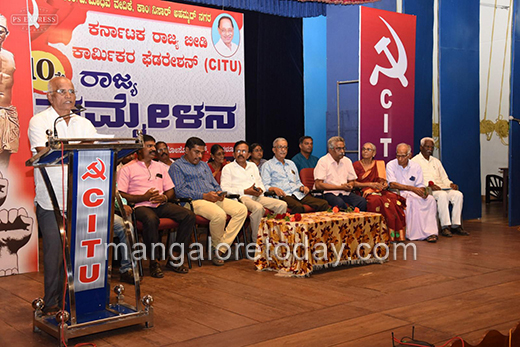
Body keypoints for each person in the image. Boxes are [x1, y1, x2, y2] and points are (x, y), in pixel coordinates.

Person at [28, 76, 98, 315]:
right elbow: (43, 153)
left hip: (82, 196)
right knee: (54, 255)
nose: (68, 96)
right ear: (50, 96)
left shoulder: (84, 123)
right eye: (62, 91)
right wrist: (76, 148)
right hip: (52, 198)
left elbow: (96, 153)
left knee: (79, 252)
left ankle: (76, 301)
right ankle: (52, 304)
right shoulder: (39, 121)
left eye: (71, 91)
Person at [118, 134, 196, 278]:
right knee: (151, 219)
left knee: (188, 215)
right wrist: (144, 197)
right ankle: (154, 262)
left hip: (160, 204)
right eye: (149, 146)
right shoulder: (127, 169)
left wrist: (164, 197)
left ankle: (175, 257)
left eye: (154, 146)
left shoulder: (161, 166)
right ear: (138, 150)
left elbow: (171, 190)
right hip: (139, 206)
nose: (153, 149)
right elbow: (121, 194)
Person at [169, 137, 247, 266]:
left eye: (201, 153)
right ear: (186, 150)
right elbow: (180, 191)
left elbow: (214, 184)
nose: (199, 156)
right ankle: (218, 250)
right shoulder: (176, 167)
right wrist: (204, 195)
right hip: (193, 201)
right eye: (196, 152)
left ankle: (220, 249)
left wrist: (219, 193)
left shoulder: (204, 165)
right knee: (219, 215)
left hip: (213, 197)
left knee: (241, 210)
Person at [220, 141, 287, 242]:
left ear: (248, 154)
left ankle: (273, 237)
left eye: (244, 151)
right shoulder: (228, 168)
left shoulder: (252, 166)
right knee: (258, 208)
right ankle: (257, 242)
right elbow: (224, 189)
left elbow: (260, 184)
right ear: (233, 154)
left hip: (257, 196)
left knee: (282, 205)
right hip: (241, 197)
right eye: (238, 151)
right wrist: (245, 191)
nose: (241, 153)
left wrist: (260, 190)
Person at [411, 137, 468, 237]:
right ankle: (445, 226)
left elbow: (444, 178)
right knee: (442, 196)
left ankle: (456, 225)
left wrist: (450, 184)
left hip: (443, 187)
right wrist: (428, 186)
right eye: (427, 146)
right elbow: (414, 180)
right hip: (428, 190)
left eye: (432, 147)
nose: (430, 149)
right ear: (421, 147)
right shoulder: (415, 161)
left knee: (458, 195)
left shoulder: (436, 161)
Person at [353, 142, 406, 242]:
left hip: (378, 190)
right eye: (364, 149)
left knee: (393, 198)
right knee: (375, 200)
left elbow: (382, 181)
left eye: (368, 149)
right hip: (363, 191)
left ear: (374, 153)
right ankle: (375, 233)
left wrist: (384, 184)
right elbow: (353, 184)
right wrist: (370, 185)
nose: (365, 151)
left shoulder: (379, 164)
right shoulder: (356, 165)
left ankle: (393, 234)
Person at [386, 143, 438, 242]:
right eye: (398, 155)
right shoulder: (391, 165)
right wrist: (412, 189)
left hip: (414, 192)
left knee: (430, 200)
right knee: (410, 200)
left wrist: (423, 191)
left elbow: (419, 184)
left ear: (409, 155)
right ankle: (413, 234)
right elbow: (392, 184)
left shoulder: (416, 166)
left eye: (403, 156)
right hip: (399, 193)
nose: (400, 159)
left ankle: (431, 233)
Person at [261, 137, 329, 213]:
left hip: (297, 193)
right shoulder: (267, 165)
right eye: (280, 147)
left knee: (323, 203)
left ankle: (316, 224)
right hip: (283, 195)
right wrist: (273, 188)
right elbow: (264, 185)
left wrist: (302, 187)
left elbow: (297, 181)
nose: (283, 150)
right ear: (274, 150)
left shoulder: (291, 164)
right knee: (298, 207)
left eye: (285, 147)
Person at [314, 136, 367, 211]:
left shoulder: (347, 161)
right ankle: (344, 223)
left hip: (344, 192)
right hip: (327, 193)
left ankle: (357, 222)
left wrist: (349, 185)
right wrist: (340, 187)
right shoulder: (323, 161)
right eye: (339, 149)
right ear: (330, 150)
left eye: (343, 148)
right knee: (339, 203)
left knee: (362, 201)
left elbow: (352, 181)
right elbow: (318, 185)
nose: (342, 151)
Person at [0, 15, 19, 171]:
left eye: (1, 31)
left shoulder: (10, 56)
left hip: (7, 112)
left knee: (5, 157)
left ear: (7, 34)